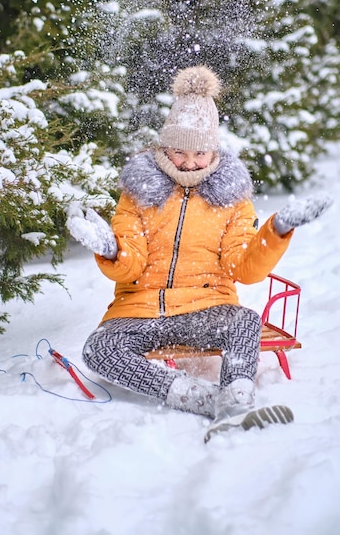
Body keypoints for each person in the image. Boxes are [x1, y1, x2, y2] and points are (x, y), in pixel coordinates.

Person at [68, 65, 332, 442]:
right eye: (179, 152)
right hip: (139, 312)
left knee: (245, 321)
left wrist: (277, 229)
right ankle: (202, 398)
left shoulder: (232, 200)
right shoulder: (139, 193)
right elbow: (129, 267)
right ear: (164, 148)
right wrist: (108, 246)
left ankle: (238, 397)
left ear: (214, 151)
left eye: (200, 153)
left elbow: (243, 267)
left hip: (204, 309)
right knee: (99, 348)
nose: (190, 163)